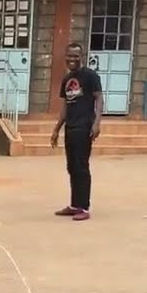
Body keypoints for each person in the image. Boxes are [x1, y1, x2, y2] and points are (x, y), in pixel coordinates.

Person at [51, 42, 102, 222]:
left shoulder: (90, 76)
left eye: (75, 56)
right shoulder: (67, 80)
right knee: (71, 166)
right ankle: (74, 205)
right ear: (65, 57)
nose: (72, 59)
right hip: (70, 127)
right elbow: (65, 106)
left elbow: (99, 98)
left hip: (84, 126)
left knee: (81, 166)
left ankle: (84, 207)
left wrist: (97, 123)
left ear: (82, 57)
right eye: (69, 56)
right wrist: (57, 129)